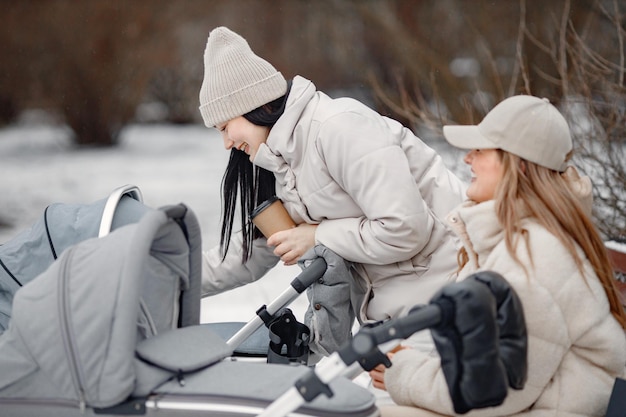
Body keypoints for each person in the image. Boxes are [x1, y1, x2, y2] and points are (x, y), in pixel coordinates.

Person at [197, 26, 466, 344]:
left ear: (253, 105)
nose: (226, 142)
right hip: (391, 315)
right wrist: (170, 276)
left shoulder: (339, 128)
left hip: (450, 293)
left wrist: (318, 236)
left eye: (226, 126)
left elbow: (405, 228)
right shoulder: (278, 163)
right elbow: (253, 251)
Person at [370, 95, 626, 416]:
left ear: (517, 164)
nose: (467, 159)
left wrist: (405, 373)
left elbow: (496, 394)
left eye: (480, 150)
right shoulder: (513, 238)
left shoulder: (535, 257)